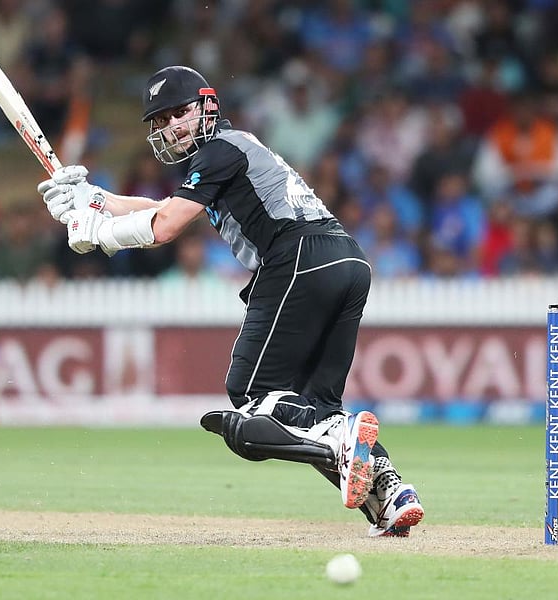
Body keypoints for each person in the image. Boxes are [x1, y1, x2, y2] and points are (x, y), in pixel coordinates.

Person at [37, 66, 424, 537]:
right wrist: (96, 200)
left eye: (179, 113)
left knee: (251, 393)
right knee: (314, 408)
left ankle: (342, 441)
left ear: (206, 106)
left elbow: (165, 228)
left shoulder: (220, 149)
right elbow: (163, 209)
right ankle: (389, 494)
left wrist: (99, 235)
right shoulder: (228, 154)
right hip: (345, 261)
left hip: (296, 258)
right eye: (160, 121)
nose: (170, 127)